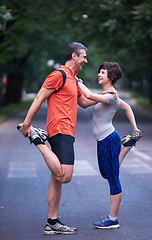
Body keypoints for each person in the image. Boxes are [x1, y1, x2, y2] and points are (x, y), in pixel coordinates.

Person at [17, 42, 116, 235]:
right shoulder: (58, 75)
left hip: (68, 130)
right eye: (84, 57)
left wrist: (104, 93)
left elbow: (85, 103)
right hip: (59, 128)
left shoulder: (72, 78)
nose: (85, 61)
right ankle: (37, 139)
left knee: (57, 178)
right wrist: (27, 124)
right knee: (66, 175)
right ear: (74, 56)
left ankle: (52, 222)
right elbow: (39, 98)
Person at [77, 62, 143, 229]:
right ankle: (128, 144)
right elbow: (84, 103)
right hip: (102, 140)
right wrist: (135, 129)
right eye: (99, 72)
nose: (99, 74)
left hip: (109, 139)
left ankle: (113, 219)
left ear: (111, 77)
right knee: (106, 173)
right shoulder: (107, 94)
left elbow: (90, 97)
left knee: (113, 177)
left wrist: (77, 81)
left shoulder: (111, 96)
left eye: (103, 73)